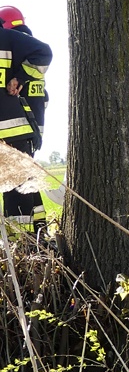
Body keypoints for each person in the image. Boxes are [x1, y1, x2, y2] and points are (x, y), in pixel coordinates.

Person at [0, 13, 53, 237]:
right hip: (22, 131)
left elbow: (44, 52)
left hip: (12, 131)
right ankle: (37, 237)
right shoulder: (14, 42)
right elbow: (45, 99)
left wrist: (19, 78)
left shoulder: (7, 39)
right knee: (25, 187)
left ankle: (20, 244)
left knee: (17, 190)